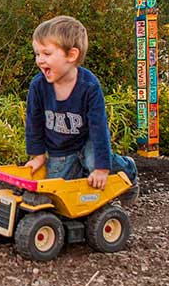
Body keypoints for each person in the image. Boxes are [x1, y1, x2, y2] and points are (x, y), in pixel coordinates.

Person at [25, 16, 138, 194]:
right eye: (37, 54)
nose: (39, 60)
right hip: (60, 147)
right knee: (57, 189)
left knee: (94, 162)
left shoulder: (89, 87)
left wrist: (101, 168)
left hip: (88, 140)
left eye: (46, 54)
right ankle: (82, 172)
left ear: (71, 55)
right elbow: (34, 122)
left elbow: (98, 127)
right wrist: (38, 156)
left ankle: (128, 169)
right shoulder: (38, 86)